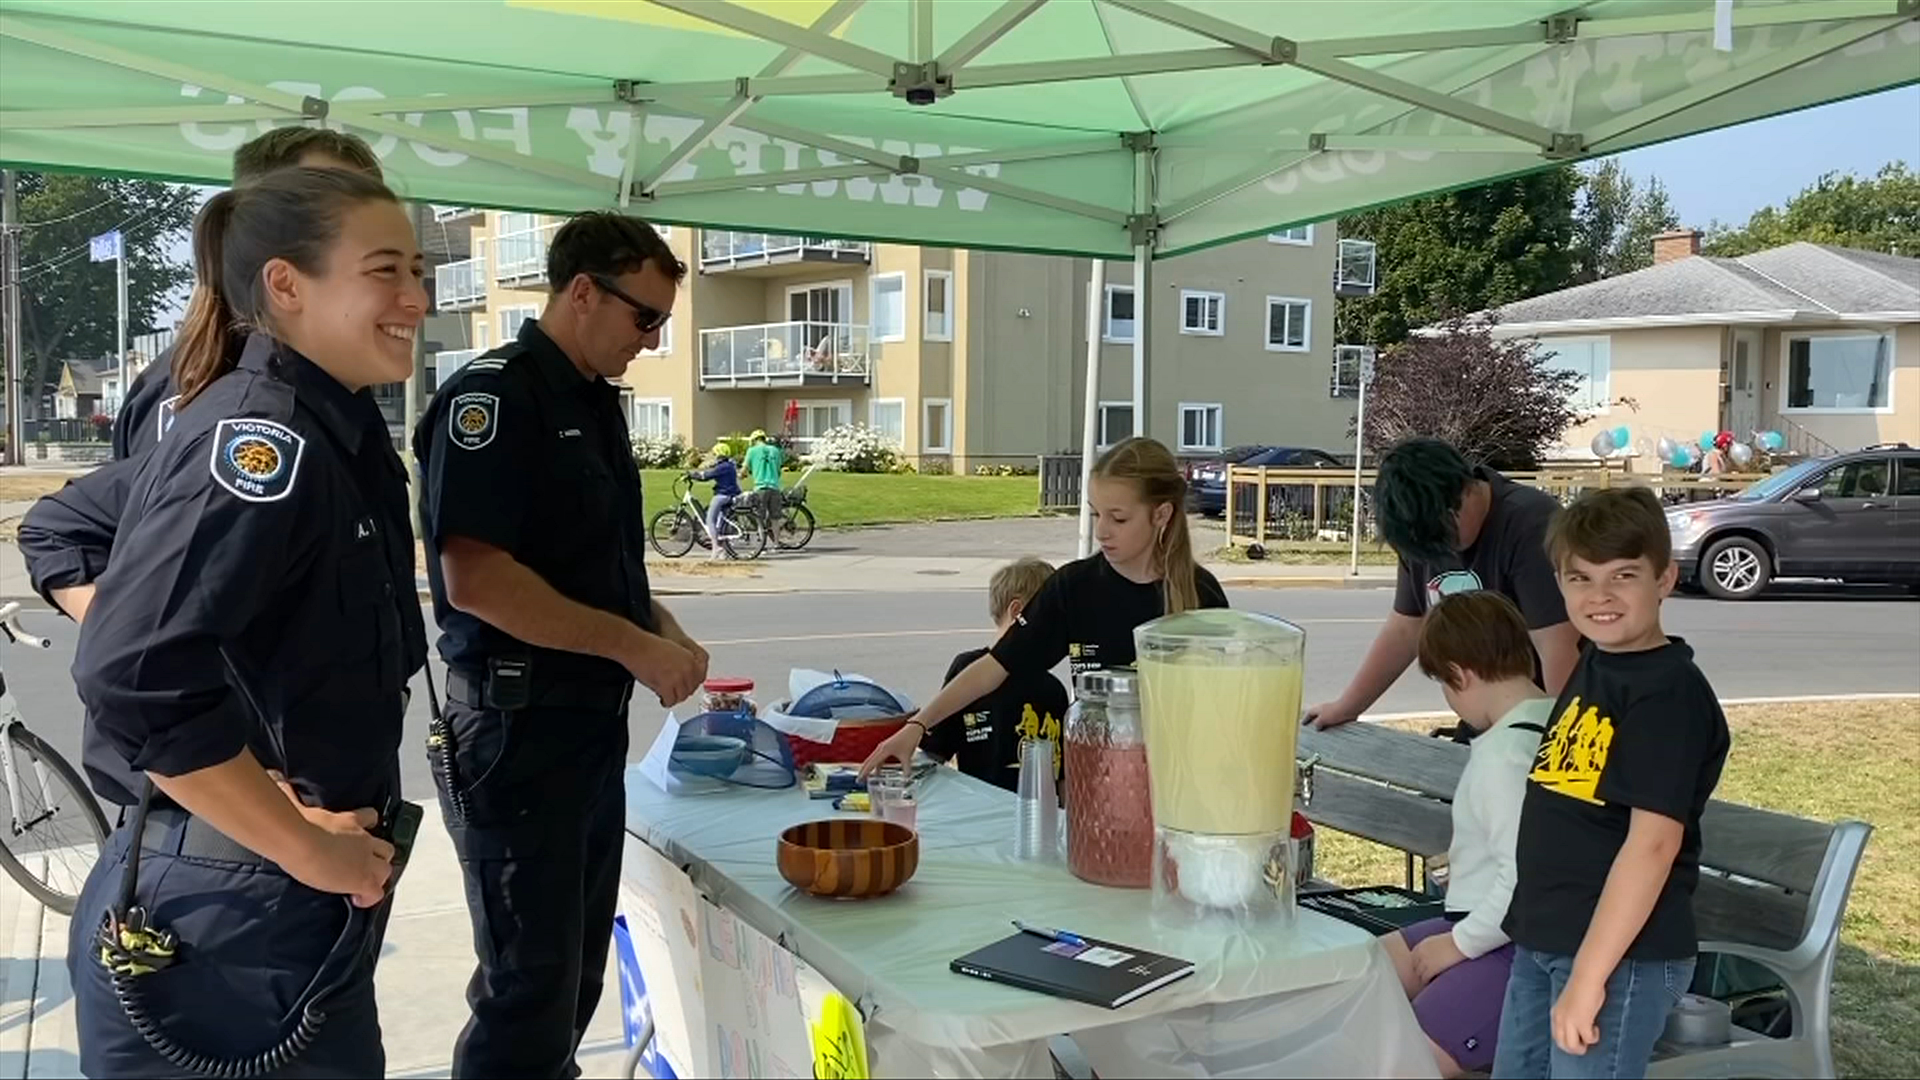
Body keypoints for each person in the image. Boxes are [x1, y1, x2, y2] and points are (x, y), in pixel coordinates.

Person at [66, 167, 428, 1076]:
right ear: (286, 285)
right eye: (385, 271)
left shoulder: (332, 432)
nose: (416, 299)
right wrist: (304, 847)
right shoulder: (263, 440)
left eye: (418, 272)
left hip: (275, 901)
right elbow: (134, 673)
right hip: (233, 911)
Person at [414, 210, 709, 1078]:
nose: (652, 340)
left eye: (662, 322)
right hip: (516, 731)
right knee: (527, 989)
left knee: (573, 977)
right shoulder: (495, 398)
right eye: (644, 317)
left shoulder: (591, 401)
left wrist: (660, 630)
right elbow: (476, 579)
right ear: (583, 291)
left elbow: (593, 565)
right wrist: (634, 648)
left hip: (583, 730)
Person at [20, 126, 385, 625]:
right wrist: (118, 631)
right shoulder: (205, 391)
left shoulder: (334, 383)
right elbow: (70, 531)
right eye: (328, 203)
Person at [1494, 487, 1729, 1079]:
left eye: (1623, 575)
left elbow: (1653, 845)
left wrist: (1589, 977)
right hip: (1547, 937)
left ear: (1665, 578)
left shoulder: (1666, 694)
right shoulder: (1598, 660)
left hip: (1618, 959)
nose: (1599, 596)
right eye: (1580, 578)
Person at [861, 437, 1227, 779]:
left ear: (1161, 514)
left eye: (1118, 518)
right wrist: (917, 726)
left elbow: (1224, 710)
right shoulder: (1074, 587)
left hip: (1179, 781)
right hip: (1098, 781)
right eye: (1095, 514)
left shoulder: (1202, 596)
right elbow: (995, 666)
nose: (1101, 531)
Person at [1381, 591, 1551, 1078]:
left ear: (1460, 674)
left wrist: (1458, 946)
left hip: (1515, 947)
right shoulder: (1558, 720)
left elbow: (1526, 880)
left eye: (1443, 684)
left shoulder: (1503, 757)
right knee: (1371, 969)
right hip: (1492, 926)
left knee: (1398, 1059)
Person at [1307, 437, 1581, 730]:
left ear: (1464, 494)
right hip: (1481, 715)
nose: (1442, 552)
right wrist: (1347, 707)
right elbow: (1406, 628)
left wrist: (1561, 738)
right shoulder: (1418, 530)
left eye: (1443, 537)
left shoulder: (1531, 524)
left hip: (1536, 716)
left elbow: (1558, 647)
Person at [922, 557, 1071, 792]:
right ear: (1018, 612)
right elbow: (934, 753)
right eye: (1051, 619)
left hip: (1035, 811)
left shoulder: (1053, 690)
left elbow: (1062, 777)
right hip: (980, 808)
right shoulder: (967, 672)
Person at [690, 442, 744, 560]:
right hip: (732, 494)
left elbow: (707, 475)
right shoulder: (729, 465)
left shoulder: (722, 467)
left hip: (723, 495)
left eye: (715, 454)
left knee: (710, 519)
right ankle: (723, 551)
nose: (714, 456)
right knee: (720, 522)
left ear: (719, 454)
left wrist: (692, 475)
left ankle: (716, 547)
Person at [743, 428, 785, 527]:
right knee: (775, 520)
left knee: (759, 517)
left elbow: (744, 469)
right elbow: (778, 470)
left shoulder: (752, 451)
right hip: (774, 486)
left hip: (760, 487)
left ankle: (761, 536)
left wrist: (741, 475)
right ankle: (776, 537)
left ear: (754, 440)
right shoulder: (775, 450)